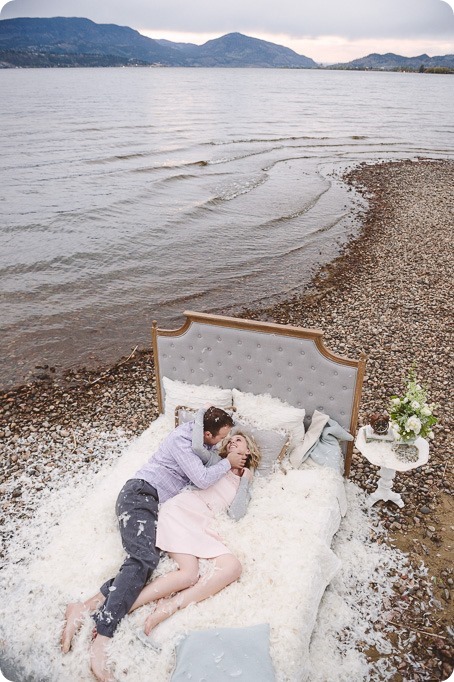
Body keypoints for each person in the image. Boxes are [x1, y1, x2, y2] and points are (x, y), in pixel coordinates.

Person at [61, 406, 246, 682]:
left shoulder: (202, 446)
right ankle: (103, 637)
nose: (222, 444)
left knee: (147, 561)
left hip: (156, 506)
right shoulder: (182, 441)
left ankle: (85, 606)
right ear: (207, 433)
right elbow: (203, 478)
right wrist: (227, 460)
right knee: (143, 559)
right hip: (140, 494)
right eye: (220, 438)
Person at [129, 430, 261, 636]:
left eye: (239, 440)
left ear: (249, 449)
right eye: (230, 440)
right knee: (189, 574)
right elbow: (198, 447)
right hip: (182, 511)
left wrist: (245, 480)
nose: (232, 442)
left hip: (203, 522)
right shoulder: (216, 461)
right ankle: (129, 604)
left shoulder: (245, 480)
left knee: (232, 566)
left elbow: (236, 514)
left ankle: (173, 604)